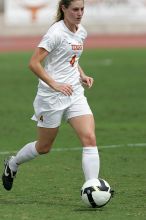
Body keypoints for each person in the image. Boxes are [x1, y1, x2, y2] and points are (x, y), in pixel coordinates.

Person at [2, 0, 100, 191]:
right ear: (63, 9)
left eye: (82, 9)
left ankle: (92, 187)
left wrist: (82, 75)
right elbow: (34, 63)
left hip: (75, 93)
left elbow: (72, 59)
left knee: (89, 137)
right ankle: (13, 164)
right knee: (44, 147)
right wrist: (54, 84)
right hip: (51, 97)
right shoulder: (55, 33)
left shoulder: (81, 31)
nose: (79, 13)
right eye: (75, 9)